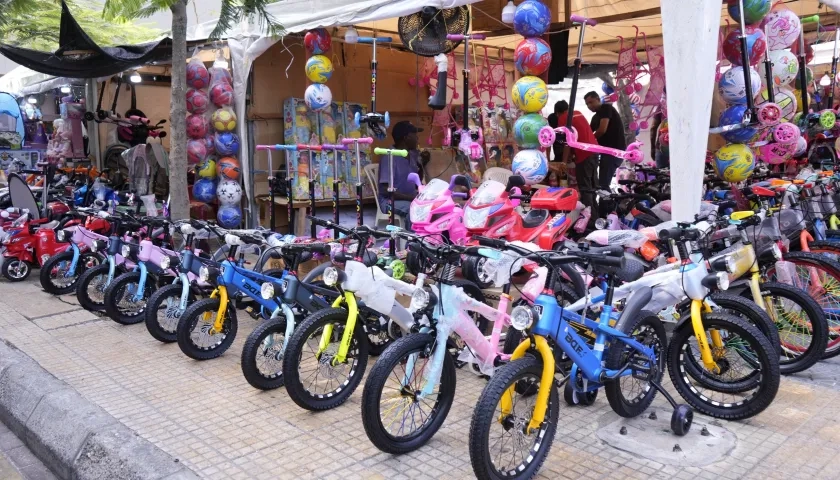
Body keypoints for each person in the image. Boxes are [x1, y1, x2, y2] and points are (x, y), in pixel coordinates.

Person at [378, 120, 429, 229]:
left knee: (431, 207)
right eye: (415, 135)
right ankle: (411, 242)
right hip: (390, 201)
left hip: (410, 198)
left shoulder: (412, 154)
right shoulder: (390, 156)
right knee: (414, 211)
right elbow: (385, 190)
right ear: (406, 138)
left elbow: (416, 182)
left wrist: (422, 165)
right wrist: (411, 198)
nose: (417, 138)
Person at [556, 100, 599, 210]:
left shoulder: (563, 118)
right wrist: (572, 154)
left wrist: (564, 162)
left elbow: (567, 142)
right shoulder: (578, 112)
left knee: (585, 188)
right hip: (595, 150)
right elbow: (579, 134)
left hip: (584, 154)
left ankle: (589, 218)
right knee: (593, 186)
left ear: (558, 113)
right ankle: (596, 213)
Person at [585, 91, 627, 190]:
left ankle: (608, 205)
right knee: (602, 183)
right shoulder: (595, 117)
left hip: (614, 152)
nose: (589, 106)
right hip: (606, 153)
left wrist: (590, 144)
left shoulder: (606, 108)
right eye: (587, 104)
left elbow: (602, 130)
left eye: (591, 102)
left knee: (603, 184)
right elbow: (588, 134)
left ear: (598, 99)